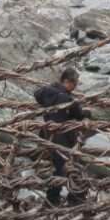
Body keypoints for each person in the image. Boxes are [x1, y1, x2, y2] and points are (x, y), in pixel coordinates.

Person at [34, 67, 90, 206]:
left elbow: (37, 95)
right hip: (61, 137)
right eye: (74, 84)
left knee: (60, 166)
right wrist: (87, 114)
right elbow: (78, 114)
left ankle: (56, 198)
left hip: (47, 134)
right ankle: (64, 198)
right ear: (67, 81)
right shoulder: (67, 99)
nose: (75, 87)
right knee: (67, 166)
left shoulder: (46, 91)